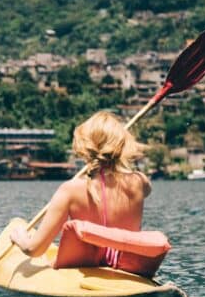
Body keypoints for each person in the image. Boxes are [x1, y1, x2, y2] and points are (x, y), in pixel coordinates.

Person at [9, 111, 171, 278]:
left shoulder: (70, 190)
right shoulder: (140, 182)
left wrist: (20, 238)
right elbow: (146, 189)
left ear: (83, 148)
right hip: (126, 270)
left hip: (83, 270)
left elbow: (34, 250)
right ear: (121, 145)